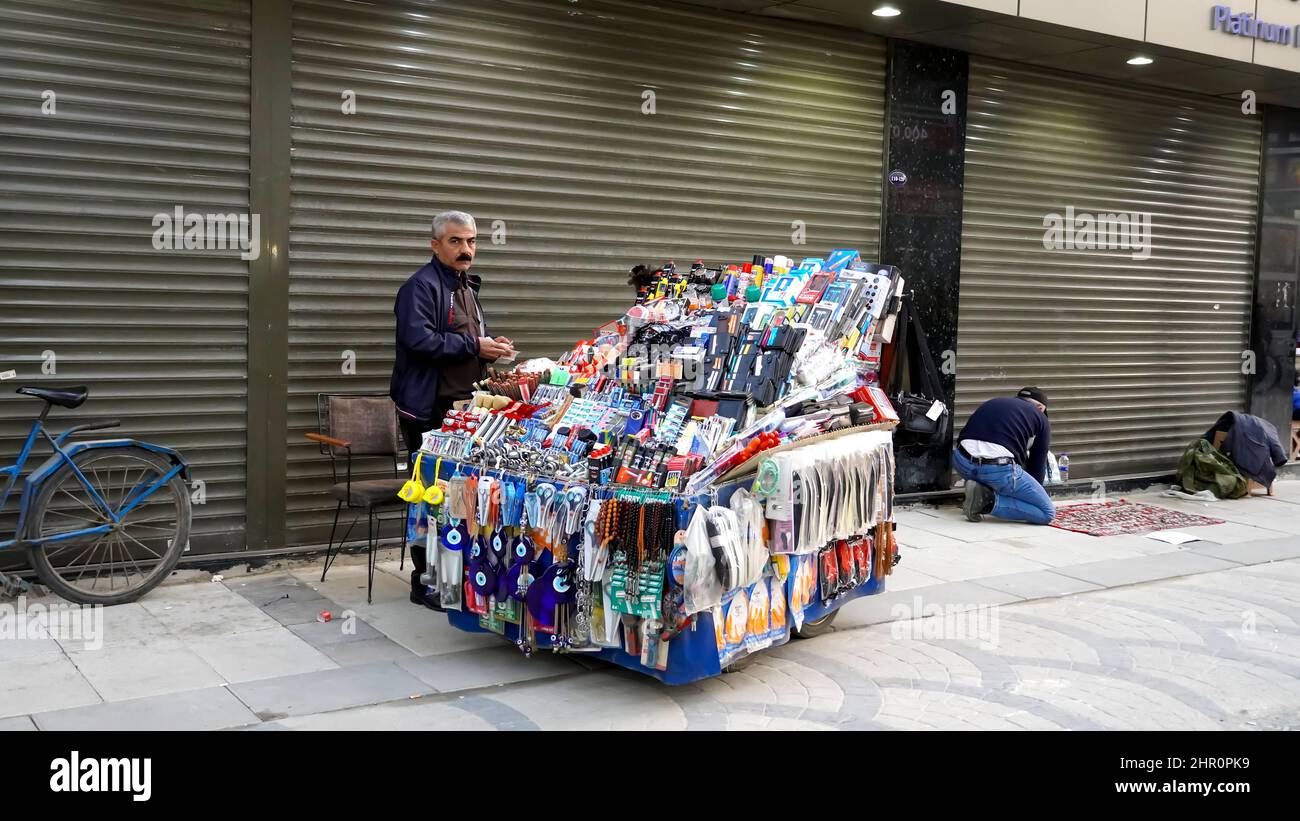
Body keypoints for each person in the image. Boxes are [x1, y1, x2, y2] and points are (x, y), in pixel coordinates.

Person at [390, 210, 515, 609]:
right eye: (456, 241)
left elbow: (466, 339)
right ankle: (424, 580)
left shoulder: (468, 287)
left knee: (459, 498)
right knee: (428, 496)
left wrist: (490, 347)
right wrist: (474, 346)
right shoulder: (419, 288)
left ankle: (456, 578)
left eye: (472, 241)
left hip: (465, 410)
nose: (466, 250)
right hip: (429, 409)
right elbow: (419, 341)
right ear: (435, 244)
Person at [953, 386, 1055, 525]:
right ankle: (986, 502)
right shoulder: (1041, 418)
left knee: (996, 471)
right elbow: (1037, 466)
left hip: (962, 462)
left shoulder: (995, 402)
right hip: (996, 470)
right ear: (1039, 407)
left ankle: (978, 488)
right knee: (1047, 512)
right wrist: (1032, 495)